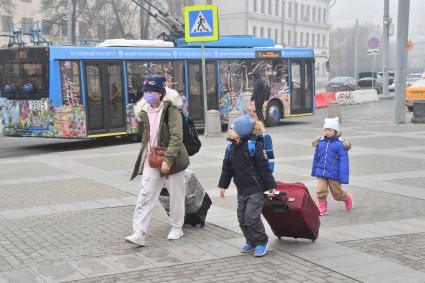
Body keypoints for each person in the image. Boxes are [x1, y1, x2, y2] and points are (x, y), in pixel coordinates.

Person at [126, 75, 189, 246]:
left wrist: (168, 159)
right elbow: (147, 137)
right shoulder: (145, 110)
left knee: (176, 194)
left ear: (161, 93)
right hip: (152, 159)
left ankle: (177, 227)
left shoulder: (171, 110)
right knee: (146, 194)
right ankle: (139, 232)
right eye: (146, 91)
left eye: (152, 91)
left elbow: (177, 137)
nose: (148, 94)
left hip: (172, 159)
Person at [218, 115, 276, 257]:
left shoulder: (254, 146)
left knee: (251, 218)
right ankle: (250, 241)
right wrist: (222, 186)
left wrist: (271, 186)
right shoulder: (230, 148)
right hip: (242, 190)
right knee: (241, 218)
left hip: (256, 189)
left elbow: (264, 169)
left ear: (242, 131)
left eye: (232, 129)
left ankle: (261, 242)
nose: (229, 132)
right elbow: (227, 168)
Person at [311, 117, 353, 216]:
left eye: (330, 130)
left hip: (334, 173)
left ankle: (347, 197)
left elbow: (344, 162)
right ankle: (322, 207)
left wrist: (343, 177)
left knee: (337, 194)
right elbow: (316, 158)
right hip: (321, 172)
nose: (327, 132)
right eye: (325, 130)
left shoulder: (340, 144)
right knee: (320, 190)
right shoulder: (320, 143)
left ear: (335, 131)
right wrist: (314, 171)